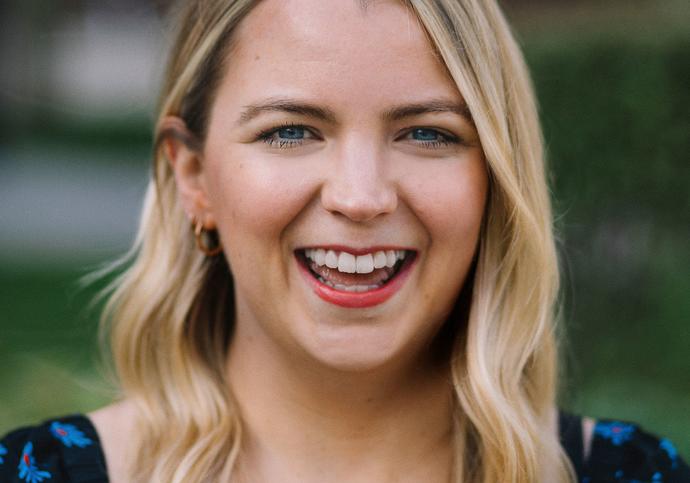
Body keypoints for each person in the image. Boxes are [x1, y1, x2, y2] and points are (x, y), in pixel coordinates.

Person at [1, 0, 687, 482]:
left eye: (428, 133)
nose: (361, 197)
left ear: (496, 183)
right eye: (291, 131)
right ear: (194, 177)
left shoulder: (632, 473)